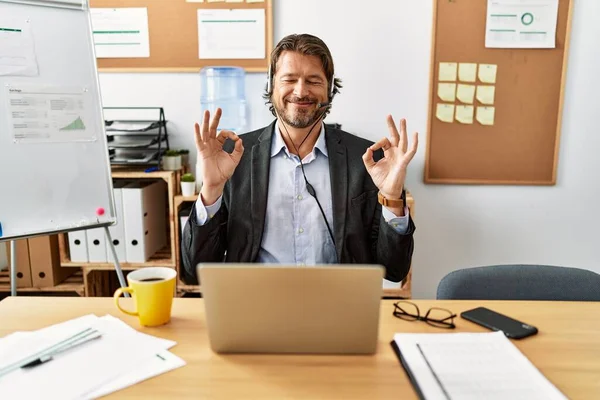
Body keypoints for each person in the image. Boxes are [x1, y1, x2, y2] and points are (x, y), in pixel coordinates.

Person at [182, 33, 418, 285]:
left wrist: (392, 196)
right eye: (289, 79)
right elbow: (193, 271)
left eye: (313, 80)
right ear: (271, 87)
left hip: (338, 308)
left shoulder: (366, 159)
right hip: (255, 307)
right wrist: (211, 189)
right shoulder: (233, 156)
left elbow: (394, 269)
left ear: (329, 89)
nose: (301, 90)